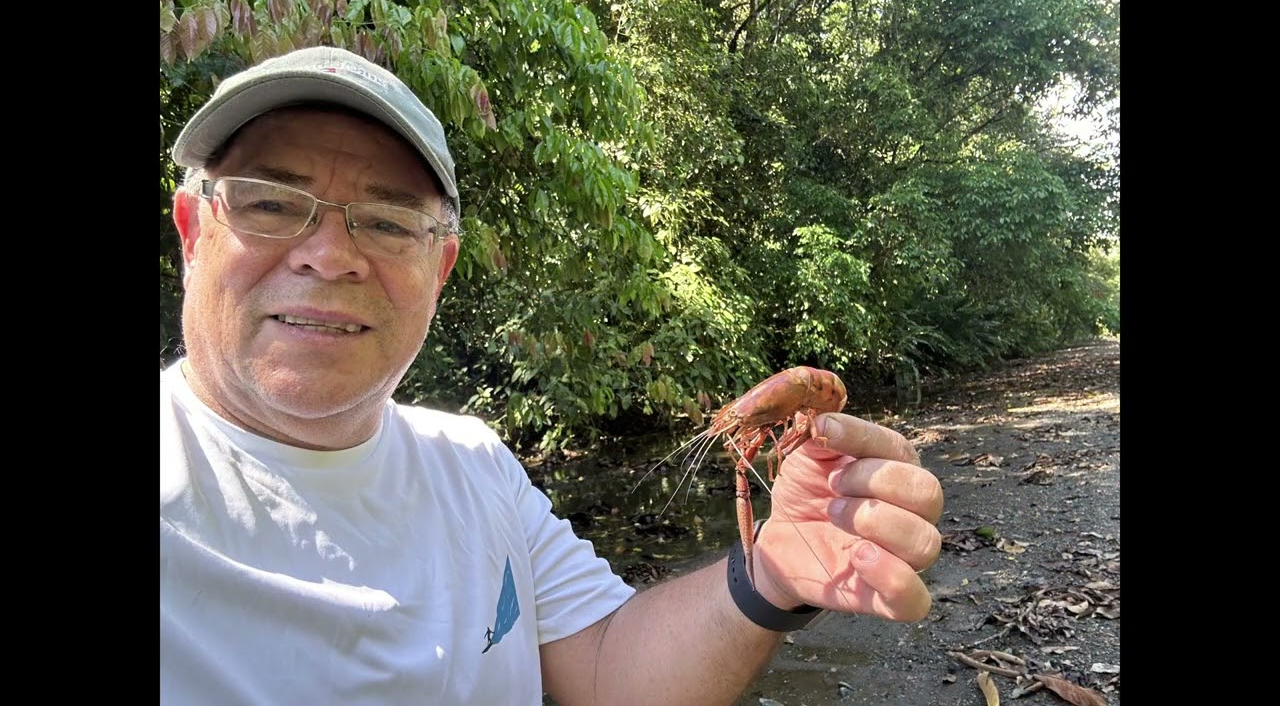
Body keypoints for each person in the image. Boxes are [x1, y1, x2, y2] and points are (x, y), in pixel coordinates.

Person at [159, 46, 944, 705]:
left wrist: (769, 573)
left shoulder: (475, 461)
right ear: (193, 233)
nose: (327, 255)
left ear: (441, 267)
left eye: (390, 221)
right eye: (269, 203)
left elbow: (608, 669)